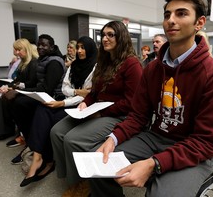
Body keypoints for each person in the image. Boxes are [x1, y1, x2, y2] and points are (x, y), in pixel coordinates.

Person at [87, 0, 213, 197]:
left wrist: (154, 163)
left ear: (199, 23)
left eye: (181, 13)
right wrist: (113, 138)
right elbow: (138, 116)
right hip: (155, 136)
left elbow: (207, 142)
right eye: (167, 15)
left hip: (194, 150)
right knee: (97, 164)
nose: (171, 20)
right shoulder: (153, 68)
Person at [50, 20, 143, 195]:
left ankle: (82, 184)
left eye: (110, 35)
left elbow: (131, 102)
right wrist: (86, 102)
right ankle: (70, 177)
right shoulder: (104, 61)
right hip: (97, 110)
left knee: (73, 139)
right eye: (103, 35)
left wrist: (101, 112)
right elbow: (94, 91)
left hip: (118, 115)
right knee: (56, 131)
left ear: (121, 37)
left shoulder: (132, 64)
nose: (105, 39)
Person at [19, 36, 97, 187]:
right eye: (78, 47)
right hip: (70, 102)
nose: (79, 51)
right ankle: (38, 157)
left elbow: (88, 96)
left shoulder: (96, 68)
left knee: (53, 120)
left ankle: (48, 160)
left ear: (91, 49)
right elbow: (65, 88)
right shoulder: (74, 65)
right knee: (43, 108)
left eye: (83, 48)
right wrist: (76, 91)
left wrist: (64, 101)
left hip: (83, 107)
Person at [9, 34, 66, 163]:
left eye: (44, 45)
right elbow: (34, 83)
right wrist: (16, 88)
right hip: (43, 94)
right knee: (15, 102)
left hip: (53, 97)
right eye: (39, 44)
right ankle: (29, 141)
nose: (40, 47)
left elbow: (47, 89)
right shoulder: (42, 59)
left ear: (52, 47)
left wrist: (21, 91)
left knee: (20, 103)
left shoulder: (54, 62)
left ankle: (32, 144)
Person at [0, 38, 39, 140]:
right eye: (15, 50)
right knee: (4, 96)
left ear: (25, 49)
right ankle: (6, 129)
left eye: (18, 50)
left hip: (30, 91)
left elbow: (31, 83)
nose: (16, 53)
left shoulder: (33, 62)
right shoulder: (23, 63)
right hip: (23, 89)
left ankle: (10, 130)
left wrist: (13, 87)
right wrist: (8, 86)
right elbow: (17, 80)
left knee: (10, 98)